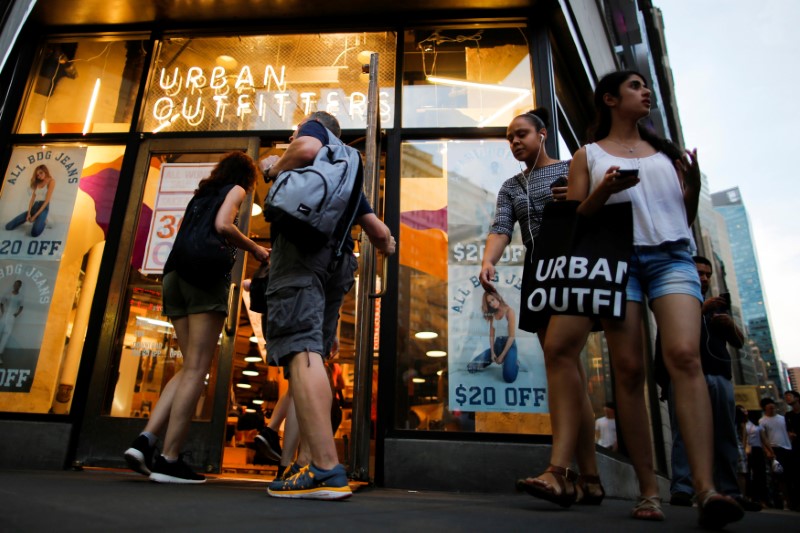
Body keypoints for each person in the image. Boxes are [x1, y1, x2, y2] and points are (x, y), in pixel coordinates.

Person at [524, 70, 743, 527]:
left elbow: (680, 214)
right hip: (618, 263)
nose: (645, 93)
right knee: (628, 371)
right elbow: (579, 215)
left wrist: (695, 184)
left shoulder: (669, 154)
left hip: (672, 258)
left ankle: (706, 489)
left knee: (685, 355)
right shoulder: (589, 154)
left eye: (646, 87)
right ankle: (648, 489)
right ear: (609, 99)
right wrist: (605, 188)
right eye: (635, 87)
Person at [259, 111, 395, 500]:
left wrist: (274, 167)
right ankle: (312, 465)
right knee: (312, 351)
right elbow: (380, 234)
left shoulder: (315, 137)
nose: (293, 133)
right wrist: (389, 249)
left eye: (295, 127)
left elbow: (304, 146)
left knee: (299, 349)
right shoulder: (347, 176)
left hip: (300, 255)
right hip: (337, 263)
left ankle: (323, 467)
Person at [480, 108, 605, 506]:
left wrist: (572, 197)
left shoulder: (573, 167)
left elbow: (596, 213)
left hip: (573, 262)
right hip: (538, 266)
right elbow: (502, 228)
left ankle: (560, 471)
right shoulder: (511, 186)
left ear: (543, 134)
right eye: (509, 138)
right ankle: (592, 478)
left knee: (558, 360)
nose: (515, 141)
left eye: (521, 134)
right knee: (568, 372)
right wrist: (489, 260)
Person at [124, 151, 270, 484]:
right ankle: (170, 458)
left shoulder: (200, 195)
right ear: (246, 176)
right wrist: (256, 249)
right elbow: (223, 225)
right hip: (203, 278)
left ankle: (145, 441)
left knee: (189, 366)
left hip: (175, 275)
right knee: (198, 368)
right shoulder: (236, 189)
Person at [658, 256, 759, 511]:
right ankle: (683, 487)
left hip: (718, 375)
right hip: (684, 378)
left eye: (707, 274)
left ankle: (730, 491)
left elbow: (738, 343)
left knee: (725, 434)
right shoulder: (676, 300)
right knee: (682, 433)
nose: (703, 278)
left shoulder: (719, 309)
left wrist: (729, 325)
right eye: (699, 272)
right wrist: (701, 310)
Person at [467, 290, 518, 383]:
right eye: (489, 303)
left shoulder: (510, 311)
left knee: (509, 378)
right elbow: (491, 335)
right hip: (497, 345)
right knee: (471, 367)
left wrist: (502, 356)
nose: (492, 304)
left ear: (497, 297)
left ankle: (515, 363)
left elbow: (511, 337)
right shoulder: (493, 314)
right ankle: (505, 360)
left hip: (509, 346)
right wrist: (493, 353)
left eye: (493, 300)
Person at [759, 397, 793, 509]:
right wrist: (768, 451)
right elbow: (763, 438)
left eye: (772, 404)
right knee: (779, 477)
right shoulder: (762, 421)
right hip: (775, 450)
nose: (771, 406)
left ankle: (792, 501)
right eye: (768, 404)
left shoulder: (783, 418)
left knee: (790, 475)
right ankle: (783, 501)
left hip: (788, 448)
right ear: (764, 408)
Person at [6, 164, 55, 237]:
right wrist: (29, 213)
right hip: (35, 206)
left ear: (45, 171)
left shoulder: (51, 181)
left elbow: (46, 201)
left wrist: (34, 216)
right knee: (8, 226)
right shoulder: (38, 183)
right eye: (37, 175)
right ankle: (39, 219)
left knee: (34, 233)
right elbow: (32, 199)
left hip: (43, 208)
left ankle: (43, 222)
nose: (39, 176)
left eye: (41, 173)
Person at [742, 405, 770, 507]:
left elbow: (764, 439)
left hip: (756, 450)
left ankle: (760, 498)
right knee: (748, 474)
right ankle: (749, 496)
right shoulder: (743, 424)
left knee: (759, 474)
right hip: (748, 450)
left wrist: (769, 450)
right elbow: (744, 439)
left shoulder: (758, 424)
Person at [0, 280, 24, 364]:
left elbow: (21, 307)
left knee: (6, 336)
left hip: (11, 318)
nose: (16, 286)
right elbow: (2, 303)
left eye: (18, 285)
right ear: (13, 285)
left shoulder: (20, 296)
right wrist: (3, 312)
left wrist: (16, 315)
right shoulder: (7, 294)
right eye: (15, 284)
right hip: (4, 316)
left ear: (20, 286)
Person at [784, 390, 800, 510]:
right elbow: (788, 430)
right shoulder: (788, 416)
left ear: (797, 398)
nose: (787, 399)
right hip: (794, 447)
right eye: (786, 397)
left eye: (789, 396)